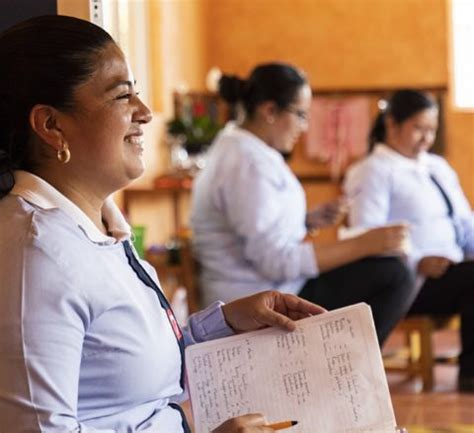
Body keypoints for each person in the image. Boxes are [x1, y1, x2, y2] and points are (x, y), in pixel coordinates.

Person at [0, 16, 327, 433]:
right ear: (51, 125)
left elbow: (132, 374)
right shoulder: (37, 255)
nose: (145, 113)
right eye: (122, 96)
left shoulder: (98, 228)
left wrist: (225, 322)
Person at [190, 63, 416, 345]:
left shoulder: (246, 149)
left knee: (387, 268)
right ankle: (349, 371)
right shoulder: (247, 163)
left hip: (273, 284)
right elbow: (274, 261)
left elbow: (259, 229)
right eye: (300, 115)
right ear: (269, 111)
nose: (305, 127)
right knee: (393, 275)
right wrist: (365, 244)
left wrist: (308, 221)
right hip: (258, 296)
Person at [343, 89, 474, 392]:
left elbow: (464, 223)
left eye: (431, 130)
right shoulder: (372, 171)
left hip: (453, 270)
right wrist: (417, 260)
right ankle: (470, 374)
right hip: (410, 280)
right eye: (418, 128)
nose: (426, 139)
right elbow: (366, 236)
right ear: (392, 125)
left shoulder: (437, 167)